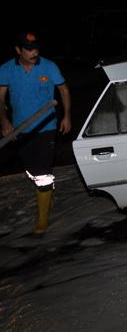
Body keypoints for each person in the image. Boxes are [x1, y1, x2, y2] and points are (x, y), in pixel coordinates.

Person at [0, 31, 72, 234]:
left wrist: (66, 116)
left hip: (46, 127)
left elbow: (64, 90)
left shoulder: (48, 66)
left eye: (36, 48)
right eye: (29, 49)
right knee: (31, 169)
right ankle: (47, 192)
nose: (34, 52)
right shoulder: (6, 69)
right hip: (20, 128)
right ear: (18, 50)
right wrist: (4, 121)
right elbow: (0, 97)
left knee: (42, 173)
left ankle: (42, 220)